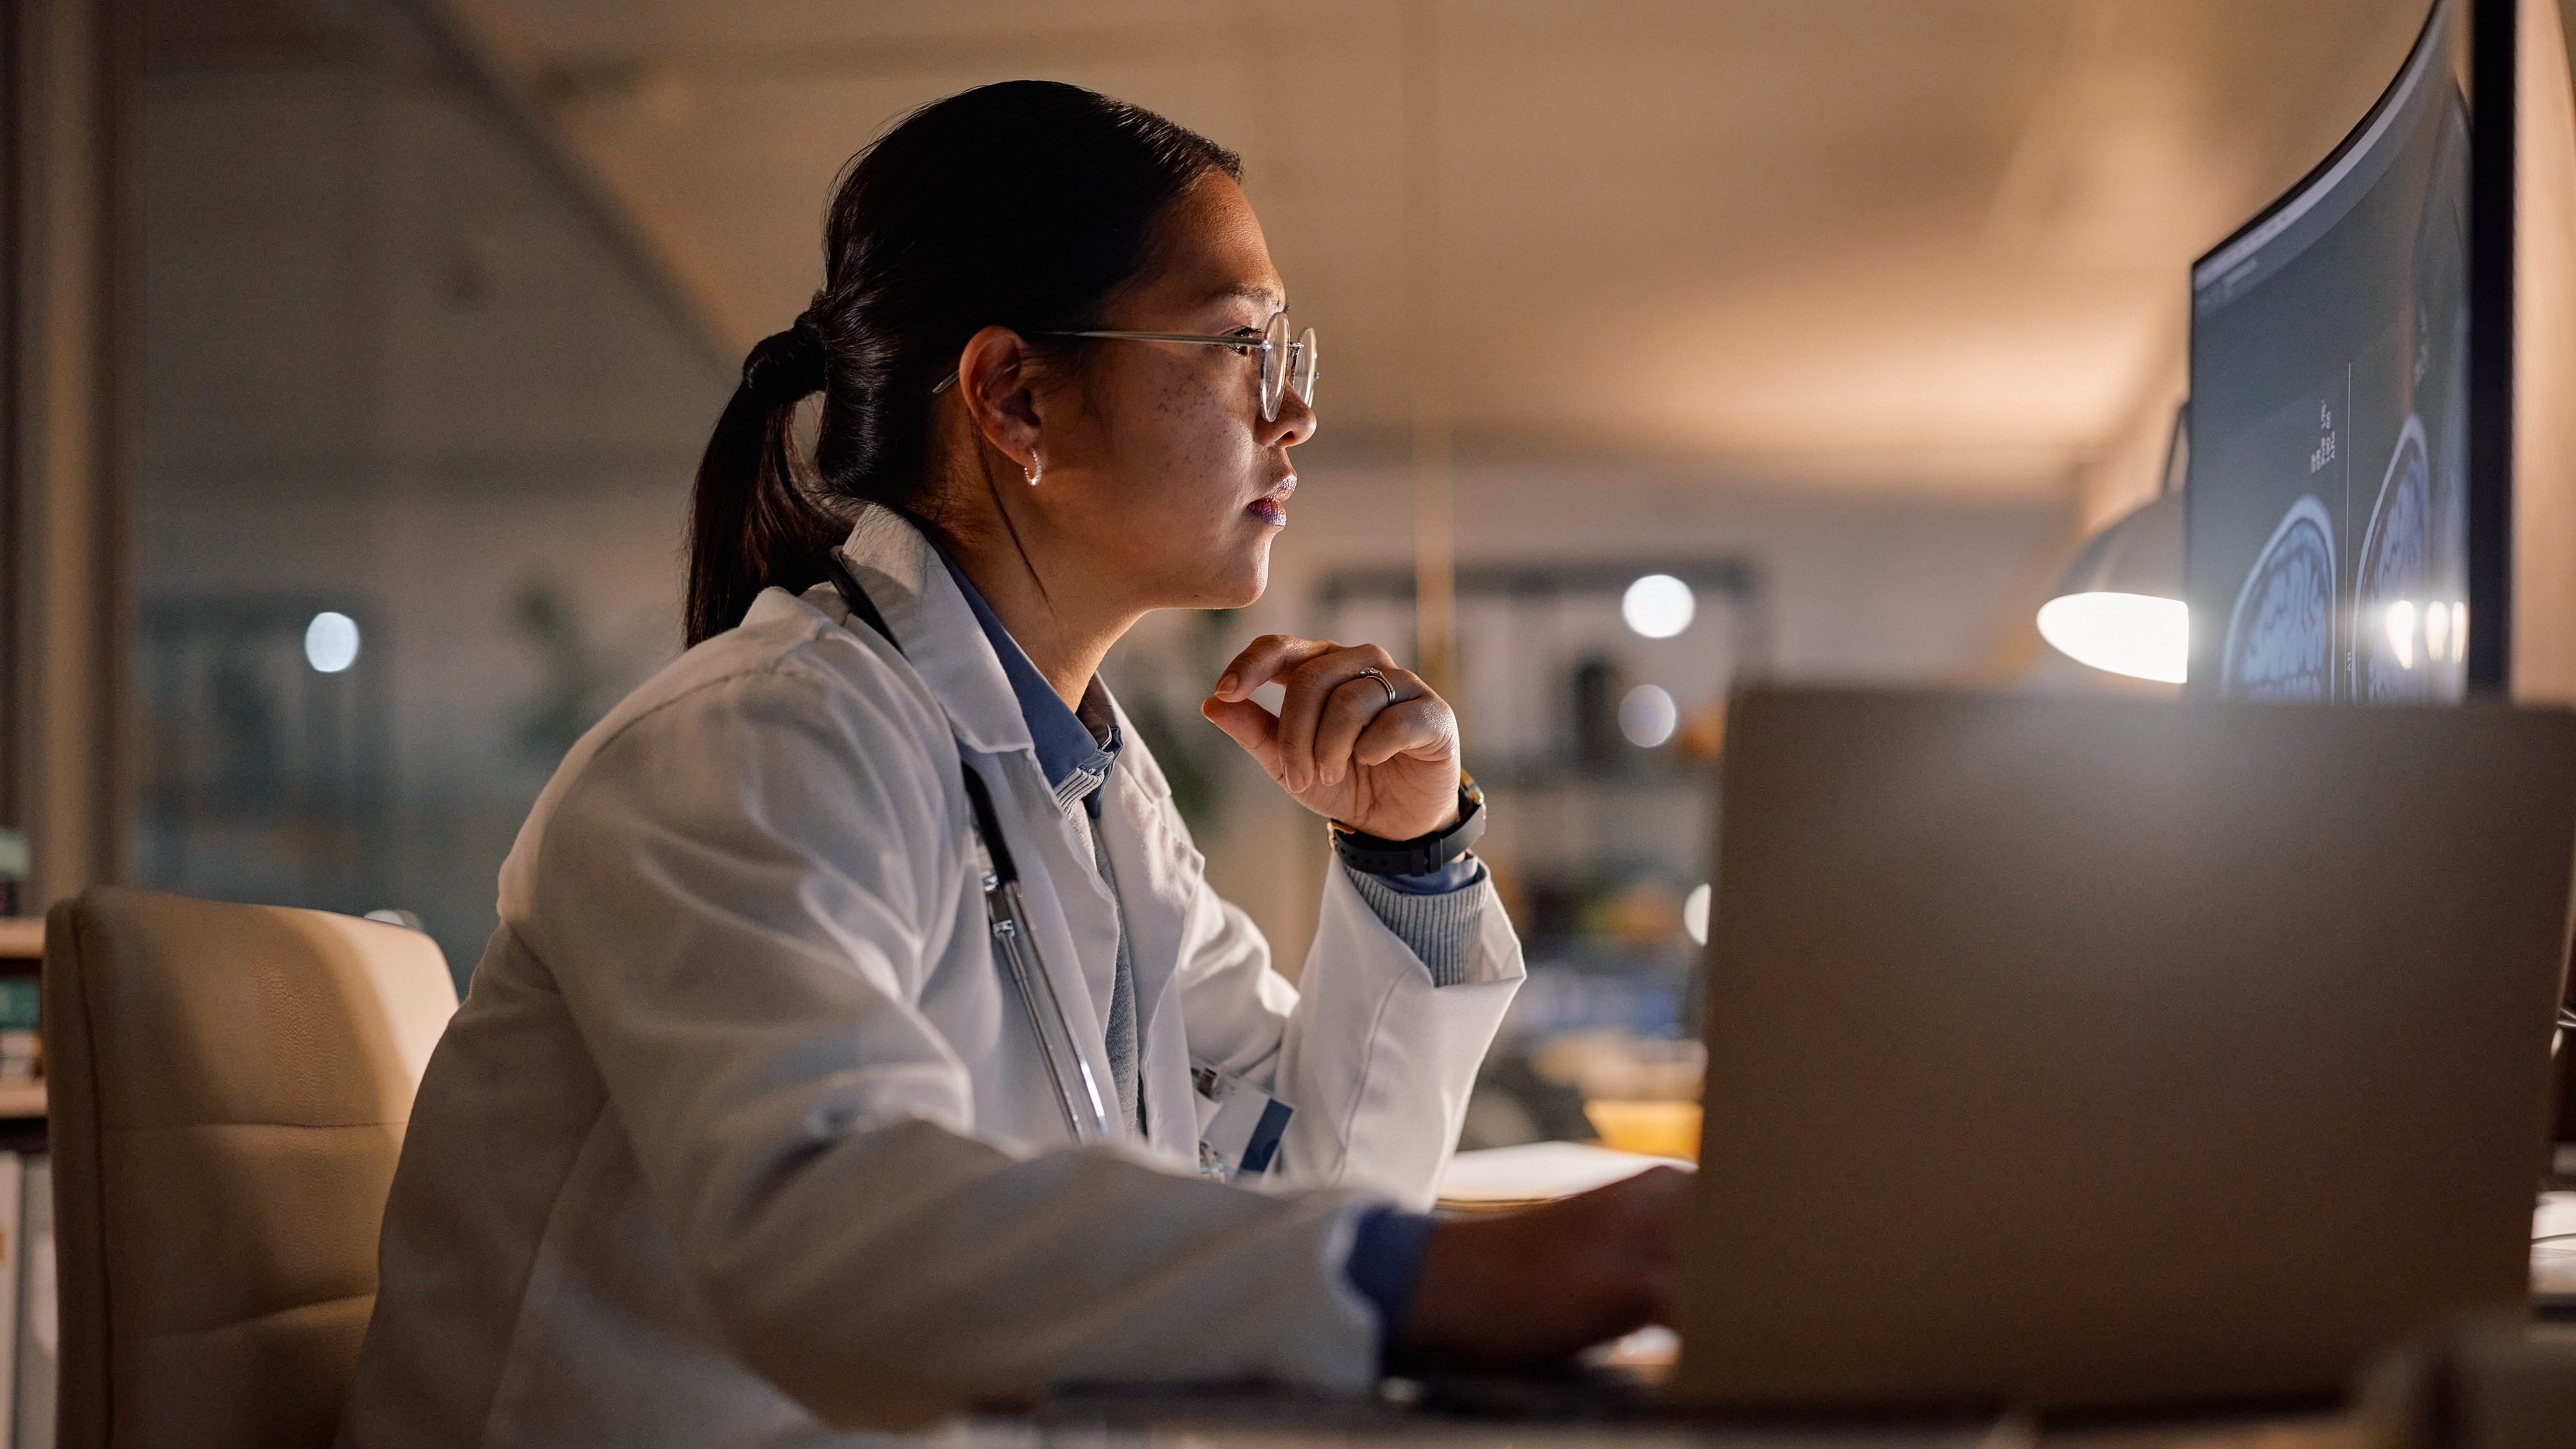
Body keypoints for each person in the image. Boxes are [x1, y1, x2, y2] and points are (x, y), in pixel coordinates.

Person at [341, 80, 1684, 1449]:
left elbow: (1311, 1180)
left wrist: (1410, 857)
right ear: (1016, 395)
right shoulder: (757, 744)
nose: (1294, 416)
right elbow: (825, 1232)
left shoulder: (1091, 788)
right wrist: (1444, 1274)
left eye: (1288, 356)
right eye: (1237, 348)